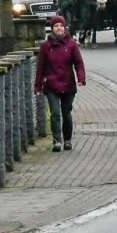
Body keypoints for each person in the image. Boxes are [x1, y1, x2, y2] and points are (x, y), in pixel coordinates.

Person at [34, 14, 87, 151]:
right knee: (55, 113)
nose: (59, 28)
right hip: (51, 85)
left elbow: (78, 63)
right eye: (56, 26)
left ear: (65, 28)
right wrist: (38, 85)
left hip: (68, 84)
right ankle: (57, 141)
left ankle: (67, 140)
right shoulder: (46, 47)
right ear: (52, 29)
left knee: (66, 113)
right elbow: (40, 67)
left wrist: (81, 78)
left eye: (61, 26)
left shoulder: (71, 45)